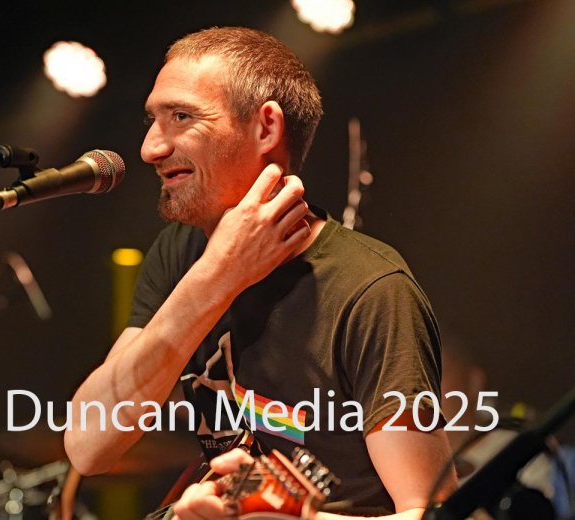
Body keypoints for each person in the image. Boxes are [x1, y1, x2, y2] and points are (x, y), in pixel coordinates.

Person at [64, 27, 457, 519]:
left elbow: (432, 510)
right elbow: (88, 446)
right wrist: (217, 275)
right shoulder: (182, 252)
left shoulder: (370, 290)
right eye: (153, 120)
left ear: (266, 129)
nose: (149, 149)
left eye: (181, 117)